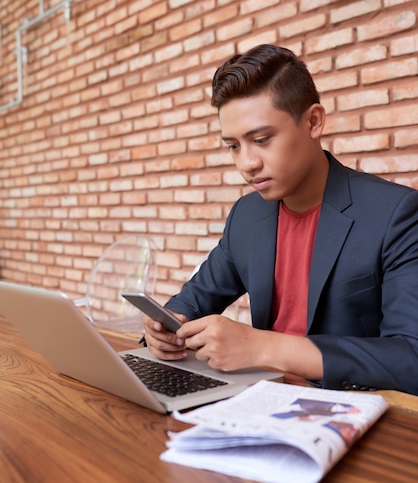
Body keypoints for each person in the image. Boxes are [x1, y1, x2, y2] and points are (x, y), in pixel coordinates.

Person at [142, 44, 418, 395]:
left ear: (313, 121)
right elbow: (192, 302)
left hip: (345, 409)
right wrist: (162, 329)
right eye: (234, 146)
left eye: (261, 139)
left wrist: (262, 347)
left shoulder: (396, 214)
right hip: (260, 400)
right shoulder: (247, 216)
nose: (247, 163)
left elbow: (411, 357)